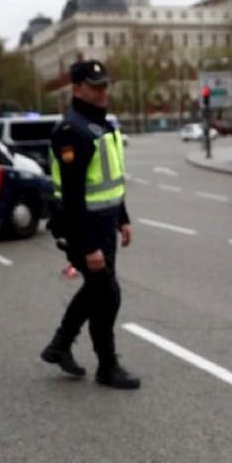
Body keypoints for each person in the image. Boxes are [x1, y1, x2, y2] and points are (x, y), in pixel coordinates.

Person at [40, 59, 140, 389]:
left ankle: (59, 346)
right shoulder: (73, 131)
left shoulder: (101, 125)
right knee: (107, 295)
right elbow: (72, 199)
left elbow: (111, 181)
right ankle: (106, 366)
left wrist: (122, 218)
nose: (103, 91)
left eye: (105, 85)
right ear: (78, 88)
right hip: (86, 228)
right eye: (96, 86)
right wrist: (88, 246)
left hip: (105, 223)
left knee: (98, 290)